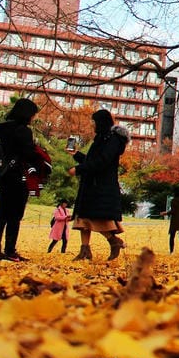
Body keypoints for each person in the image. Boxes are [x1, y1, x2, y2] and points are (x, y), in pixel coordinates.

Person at [68, 109, 130, 261]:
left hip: (101, 186)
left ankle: (113, 241)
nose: (93, 125)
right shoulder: (101, 138)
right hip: (92, 184)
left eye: (94, 122)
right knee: (83, 219)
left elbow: (103, 161)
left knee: (97, 219)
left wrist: (79, 169)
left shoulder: (112, 140)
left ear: (101, 122)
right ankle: (85, 250)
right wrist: (76, 155)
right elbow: (93, 161)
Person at [0, 97, 41, 262]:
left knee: (2, 213)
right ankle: (10, 250)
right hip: (19, 174)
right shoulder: (24, 131)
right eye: (33, 114)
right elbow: (28, 154)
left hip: (4, 174)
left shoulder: (3, 129)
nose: (34, 118)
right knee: (15, 215)